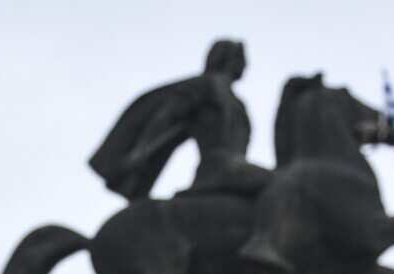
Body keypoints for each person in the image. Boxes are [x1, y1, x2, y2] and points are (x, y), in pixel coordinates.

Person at [89, 38, 272, 204]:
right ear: (229, 59)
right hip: (219, 167)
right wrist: (140, 151)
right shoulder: (206, 86)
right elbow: (167, 117)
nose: (246, 66)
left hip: (237, 166)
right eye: (242, 59)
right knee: (275, 183)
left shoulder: (235, 101)